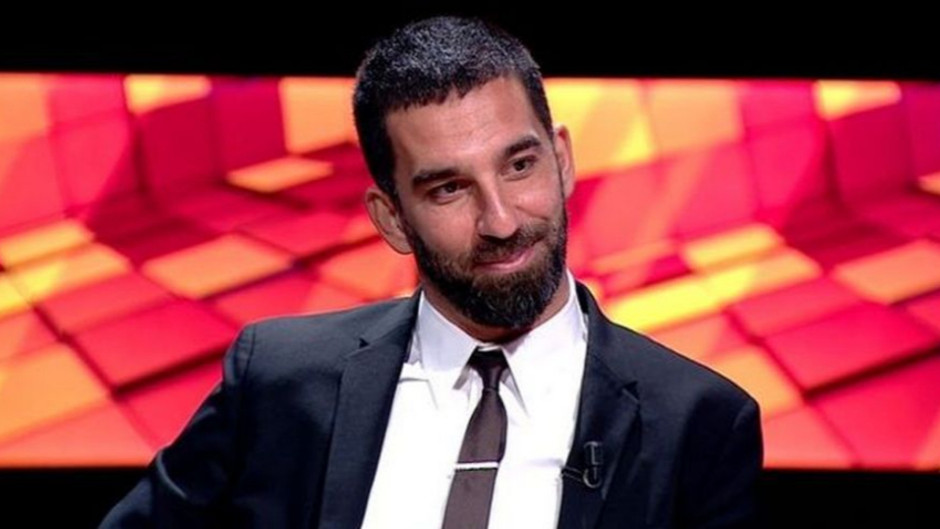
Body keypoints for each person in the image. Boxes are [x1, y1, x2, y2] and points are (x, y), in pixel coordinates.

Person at [99, 15, 763, 529]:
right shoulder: (278, 382)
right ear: (391, 218)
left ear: (561, 159)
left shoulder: (697, 423)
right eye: (449, 189)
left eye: (520, 165)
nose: (500, 219)